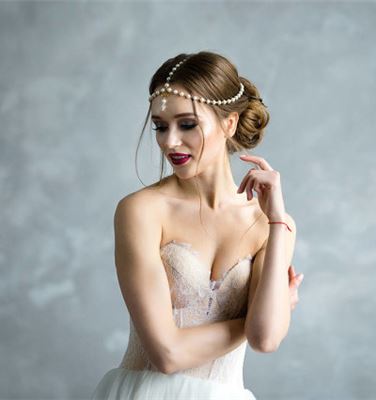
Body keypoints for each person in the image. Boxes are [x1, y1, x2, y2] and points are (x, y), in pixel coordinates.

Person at [90, 51, 304, 399]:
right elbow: (166, 354)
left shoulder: (271, 225)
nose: (169, 141)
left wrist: (278, 222)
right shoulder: (141, 211)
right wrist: (259, 315)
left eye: (187, 124)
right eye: (160, 126)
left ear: (229, 123)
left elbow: (265, 340)